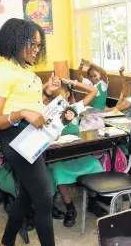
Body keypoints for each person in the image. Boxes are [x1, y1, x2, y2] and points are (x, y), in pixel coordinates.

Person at [0, 18, 55, 246]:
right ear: (17, 42)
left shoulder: (26, 69)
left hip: (34, 137)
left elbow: (30, 105)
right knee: (45, 201)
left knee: (28, 195)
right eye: (33, 44)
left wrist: (47, 93)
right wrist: (20, 114)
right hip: (16, 139)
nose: (37, 50)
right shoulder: (2, 71)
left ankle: (5, 242)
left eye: (39, 45)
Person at [47, 78, 104, 227]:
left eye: (61, 96)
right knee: (58, 172)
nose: (58, 100)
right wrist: (47, 86)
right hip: (60, 157)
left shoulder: (75, 109)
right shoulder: (49, 115)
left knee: (95, 164)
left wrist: (73, 82)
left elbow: (94, 91)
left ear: (68, 94)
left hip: (79, 154)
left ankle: (92, 202)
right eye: (54, 98)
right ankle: (70, 208)